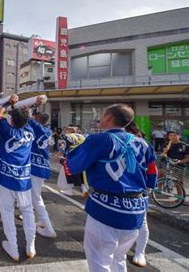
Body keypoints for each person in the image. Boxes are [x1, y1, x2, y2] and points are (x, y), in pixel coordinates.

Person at [66, 104, 158, 272]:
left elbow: (73, 165)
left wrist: (72, 147)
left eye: (102, 115)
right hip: (135, 211)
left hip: (106, 210)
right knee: (118, 258)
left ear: (108, 118)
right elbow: (152, 177)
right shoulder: (144, 143)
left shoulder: (99, 139)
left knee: (100, 262)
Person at [0, 95, 37, 261]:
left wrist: (8, 103)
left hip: (6, 180)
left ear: (11, 118)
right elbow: (25, 119)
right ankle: (30, 245)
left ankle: (12, 246)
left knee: (7, 212)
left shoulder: (6, 130)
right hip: (24, 181)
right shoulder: (30, 132)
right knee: (27, 212)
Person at [124, 121, 157, 268]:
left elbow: (152, 169)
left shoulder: (144, 144)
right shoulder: (111, 142)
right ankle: (123, 249)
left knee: (141, 223)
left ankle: (140, 252)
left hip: (138, 191)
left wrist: (149, 187)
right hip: (119, 190)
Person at [29, 107, 57, 238]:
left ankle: (48, 227)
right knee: (35, 195)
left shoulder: (38, 128)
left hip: (36, 167)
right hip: (43, 166)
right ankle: (41, 219)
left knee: (36, 197)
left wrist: (32, 106)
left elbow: (27, 118)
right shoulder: (48, 130)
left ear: (39, 119)